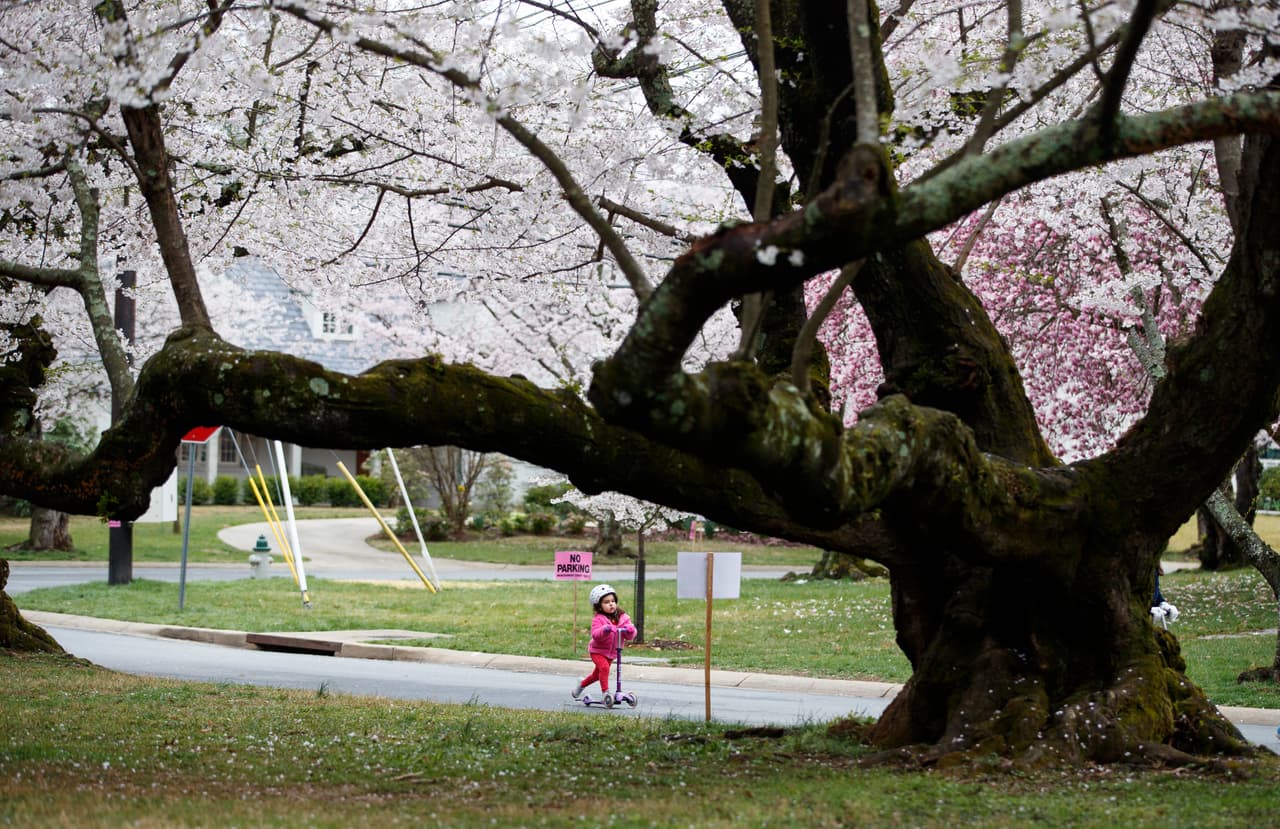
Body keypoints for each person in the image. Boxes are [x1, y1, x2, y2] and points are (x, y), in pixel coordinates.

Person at [572, 583, 637, 700]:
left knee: (597, 675)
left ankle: (581, 685)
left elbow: (630, 636)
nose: (611, 604)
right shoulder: (598, 619)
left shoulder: (623, 617)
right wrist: (605, 629)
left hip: (612, 653)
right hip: (597, 651)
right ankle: (605, 693)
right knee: (604, 669)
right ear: (599, 606)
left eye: (613, 601)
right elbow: (596, 635)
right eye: (606, 602)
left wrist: (631, 630)